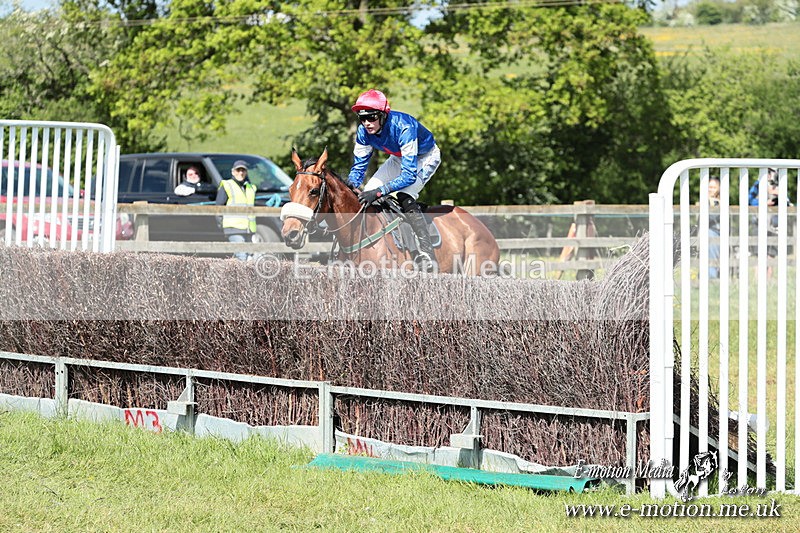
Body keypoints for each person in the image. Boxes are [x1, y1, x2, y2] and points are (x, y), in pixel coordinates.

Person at [347, 89, 441, 272]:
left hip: (425, 157)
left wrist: (380, 191)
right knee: (367, 192)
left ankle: (426, 253)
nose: (367, 123)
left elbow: (408, 176)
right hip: (398, 158)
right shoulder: (362, 132)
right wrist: (350, 188)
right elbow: (358, 169)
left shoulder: (404, 126)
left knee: (404, 195)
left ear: (383, 115)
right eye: (362, 118)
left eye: (372, 117)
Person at [216, 160, 256, 261]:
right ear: (233, 172)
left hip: (248, 229)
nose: (241, 173)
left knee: (249, 258)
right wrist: (221, 224)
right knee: (241, 257)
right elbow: (218, 207)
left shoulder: (250, 187)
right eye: (238, 170)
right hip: (233, 227)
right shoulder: (227, 185)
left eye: (243, 170)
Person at [707, 177, 721, 279]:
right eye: (709, 187)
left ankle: (713, 278)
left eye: (714, 187)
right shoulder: (705, 201)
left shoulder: (719, 201)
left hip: (718, 233)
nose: (711, 189)